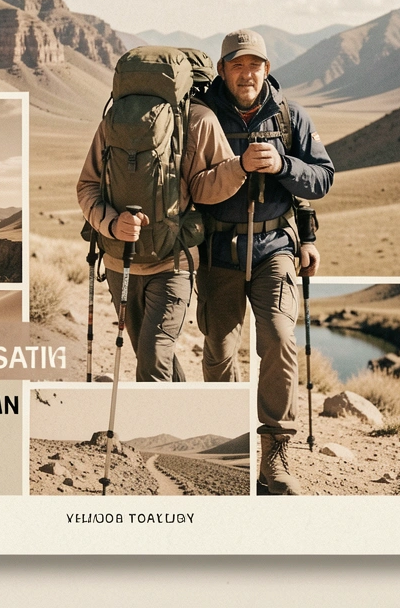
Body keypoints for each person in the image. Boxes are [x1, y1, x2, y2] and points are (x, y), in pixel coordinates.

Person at [195, 29, 334, 495]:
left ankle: (276, 454)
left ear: (267, 69)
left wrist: (283, 166)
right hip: (218, 250)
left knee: (277, 338)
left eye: (255, 65)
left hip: (274, 247)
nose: (247, 73)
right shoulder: (202, 115)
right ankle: (229, 446)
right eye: (237, 65)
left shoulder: (292, 117)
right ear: (222, 70)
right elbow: (189, 183)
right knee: (218, 349)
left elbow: (322, 178)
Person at [77, 94, 245, 382]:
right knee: (150, 355)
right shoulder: (118, 120)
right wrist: (114, 224)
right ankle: (181, 416)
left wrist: (239, 167)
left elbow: (87, 187)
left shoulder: (196, 120)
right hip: (121, 259)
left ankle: (158, 427)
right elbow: (89, 184)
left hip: (171, 264)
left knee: (154, 356)